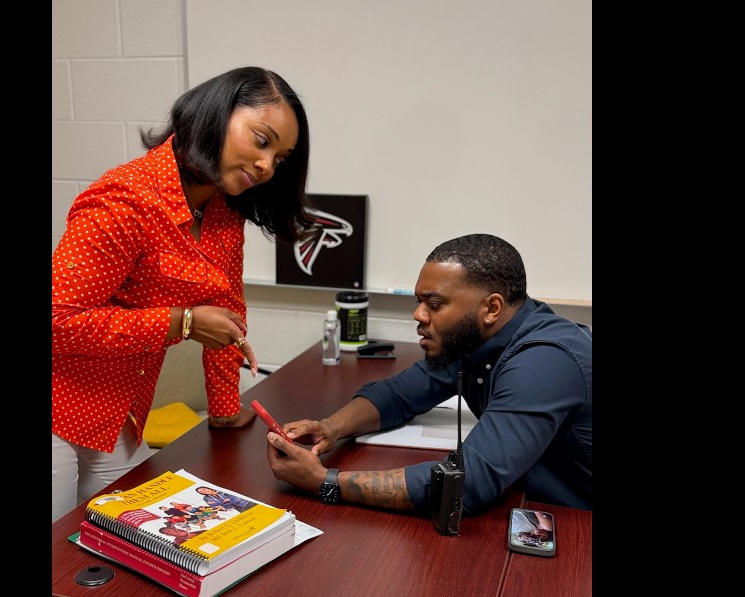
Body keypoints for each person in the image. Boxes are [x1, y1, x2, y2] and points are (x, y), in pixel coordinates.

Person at [53, 67, 313, 523]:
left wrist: (225, 410)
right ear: (216, 116)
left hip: (116, 413)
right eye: (261, 139)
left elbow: (227, 313)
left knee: (141, 528)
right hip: (58, 404)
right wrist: (184, 322)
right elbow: (59, 322)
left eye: (281, 157)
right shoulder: (126, 199)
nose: (268, 165)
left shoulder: (221, 212)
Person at [265, 233, 592, 514]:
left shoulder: (545, 361)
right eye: (420, 301)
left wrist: (325, 482)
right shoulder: (476, 338)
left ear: (491, 308)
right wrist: (330, 428)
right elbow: (395, 395)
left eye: (434, 304)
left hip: (575, 520)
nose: (418, 315)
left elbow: (465, 483)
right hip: (526, 498)